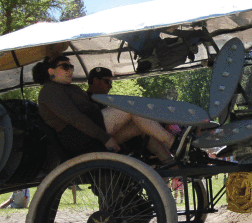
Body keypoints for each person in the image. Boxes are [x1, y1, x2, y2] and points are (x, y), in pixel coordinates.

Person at [34, 56, 176, 164]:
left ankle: (172, 163)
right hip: (82, 138)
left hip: (93, 132)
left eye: (71, 66)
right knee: (131, 107)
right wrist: (105, 138)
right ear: (51, 71)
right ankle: (173, 142)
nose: (70, 70)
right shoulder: (50, 91)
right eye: (65, 67)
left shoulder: (69, 88)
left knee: (141, 127)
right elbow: (75, 119)